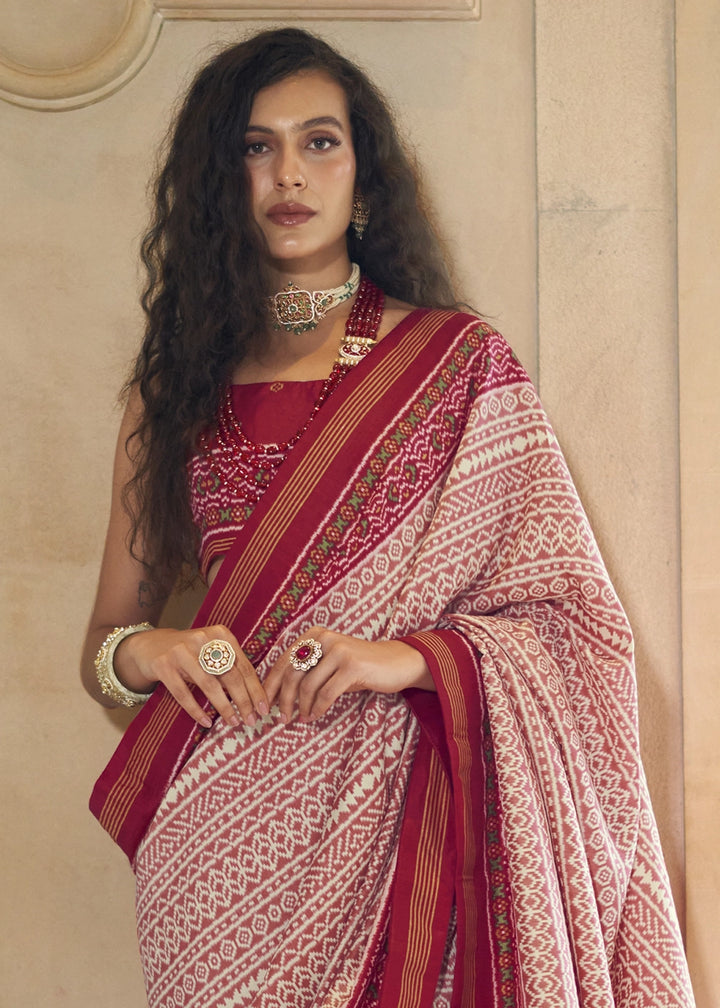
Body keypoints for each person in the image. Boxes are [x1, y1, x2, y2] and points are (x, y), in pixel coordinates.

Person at [81, 27, 694, 1008]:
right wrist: (154, 651)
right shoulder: (173, 396)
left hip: (410, 821)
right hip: (214, 854)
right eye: (255, 146)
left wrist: (404, 660)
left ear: (362, 174)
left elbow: (578, 627)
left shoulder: (459, 368)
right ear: (218, 181)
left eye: (320, 141)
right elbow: (104, 648)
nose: (289, 172)